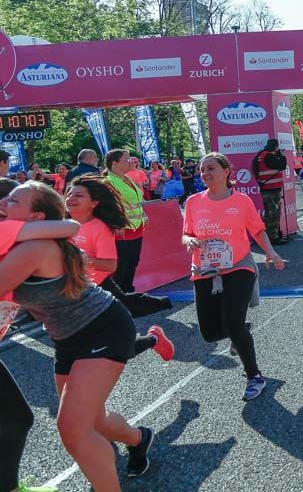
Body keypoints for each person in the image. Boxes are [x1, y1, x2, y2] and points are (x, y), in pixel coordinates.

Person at [0, 182, 156, 489]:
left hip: (103, 327)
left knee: (74, 430)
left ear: (36, 218)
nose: (5, 202)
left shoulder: (35, 248)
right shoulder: (19, 243)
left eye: (15, 201)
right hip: (68, 338)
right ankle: (140, 438)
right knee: (94, 421)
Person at [0, 178, 101, 492]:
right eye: (7, 200)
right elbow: (69, 226)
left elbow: (69, 227)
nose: (5, 205)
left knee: (16, 419)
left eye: (11, 201)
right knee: (16, 418)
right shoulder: (7, 232)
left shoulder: (11, 235)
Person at [183, 152, 286, 401]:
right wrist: (190, 241)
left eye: (210, 168)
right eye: (202, 169)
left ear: (226, 171)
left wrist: (270, 252)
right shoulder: (193, 202)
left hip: (238, 266)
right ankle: (240, 331)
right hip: (205, 269)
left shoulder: (241, 201)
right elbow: (186, 233)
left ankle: (254, 376)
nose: (205, 173)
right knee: (209, 333)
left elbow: (257, 230)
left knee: (232, 322)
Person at [66, 174, 174, 322]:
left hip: (97, 287)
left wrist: (83, 259)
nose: (71, 198)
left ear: (94, 203)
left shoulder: (100, 228)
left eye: (78, 195)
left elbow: (110, 266)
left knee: (124, 312)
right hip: (73, 288)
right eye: (70, 193)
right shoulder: (60, 225)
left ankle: (161, 309)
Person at [105, 149, 148, 295]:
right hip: (121, 232)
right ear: (115, 164)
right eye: (127, 159)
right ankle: (118, 298)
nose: (131, 162)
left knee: (132, 264)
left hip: (136, 230)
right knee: (121, 267)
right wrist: (116, 224)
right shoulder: (109, 182)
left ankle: (128, 294)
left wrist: (144, 216)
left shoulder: (127, 179)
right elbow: (107, 207)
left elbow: (136, 202)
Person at [252, 139, 288, 246]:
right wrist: (282, 155)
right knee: (273, 213)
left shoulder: (260, 156)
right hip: (272, 188)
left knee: (269, 213)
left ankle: (270, 234)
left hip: (266, 187)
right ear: (276, 147)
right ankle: (273, 237)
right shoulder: (268, 156)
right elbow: (281, 165)